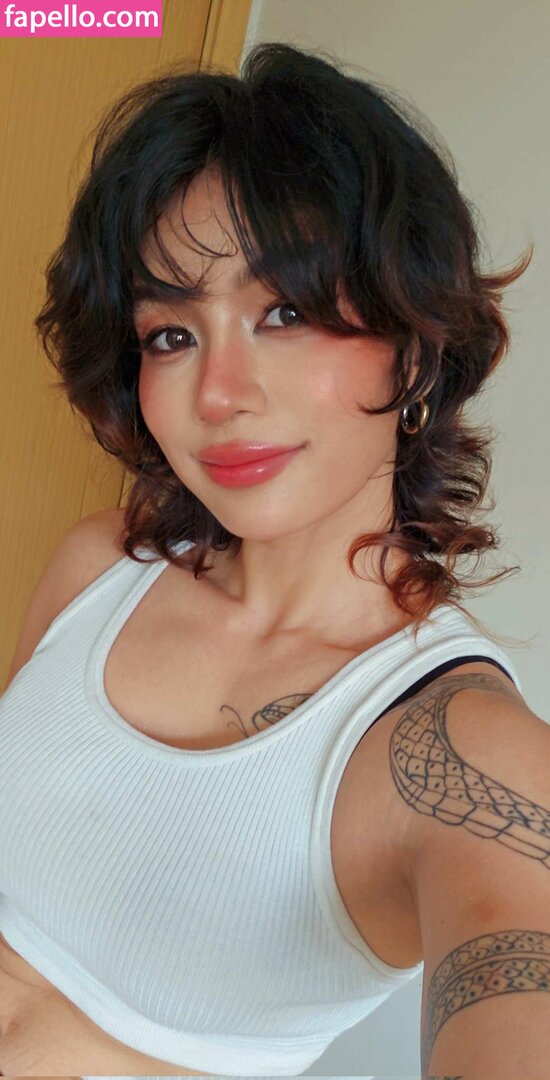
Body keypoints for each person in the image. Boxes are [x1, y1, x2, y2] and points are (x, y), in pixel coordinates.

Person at [1, 41, 546, 1080]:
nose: (218, 394)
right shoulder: (98, 571)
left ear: (415, 346)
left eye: (285, 313)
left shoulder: (458, 748)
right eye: (169, 335)